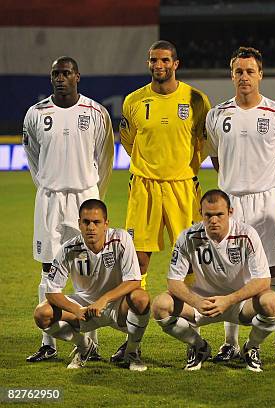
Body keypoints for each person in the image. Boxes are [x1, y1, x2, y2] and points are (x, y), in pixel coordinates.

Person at [117, 40, 212, 360]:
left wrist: (180, 170)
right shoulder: (133, 101)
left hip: (183, 187)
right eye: (153, 60)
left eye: (165, 60)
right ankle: (133, 341)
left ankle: (193, 340)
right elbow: (128, 143)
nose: (159, 65)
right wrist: (150, 168)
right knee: (138, 261)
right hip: (144, 187)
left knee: (190, 262)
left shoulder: (196, 99)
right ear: (148, 64)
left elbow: (203, 142)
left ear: (176, 63)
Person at [206, 46, 275, 363]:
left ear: (261, 74)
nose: (244, 77)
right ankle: (230, 342)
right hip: (232, 204)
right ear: (232, 75)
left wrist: (270, 183)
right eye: (238, 71)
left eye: (250, 71)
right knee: (232, 275)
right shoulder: (218, 115)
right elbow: (216, 157)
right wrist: (235, 183)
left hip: (269, 202)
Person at [23, 56, 114, 362]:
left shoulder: (96, 112)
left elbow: (104, 158)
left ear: (78, 76)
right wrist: (48, 185)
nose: (60, 78)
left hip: (83, 197)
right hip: (49, 200)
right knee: (49, 268)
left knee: (87, 271)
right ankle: (48, 343)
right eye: (55, 74)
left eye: (66, 73)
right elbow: (32, 157)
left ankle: (91, 343)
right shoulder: (36, 114)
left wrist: (91, 196)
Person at [152, 190, 275, 372]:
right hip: (202, 304)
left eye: (219, 214)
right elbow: (174, 282)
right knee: (160, 305)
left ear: (230, 212)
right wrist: (196, 302)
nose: (214, 220)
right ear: (201, 214)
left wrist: (229, 300)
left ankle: (251, 347)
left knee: (271, 301)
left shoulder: (247, 234)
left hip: (240, 304)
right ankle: (199, 346)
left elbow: (263, 280)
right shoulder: (188, 237)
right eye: (208, 215)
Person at [33, 199, 149, 371]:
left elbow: (134, 280)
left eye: (96, 222)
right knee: (42, 314)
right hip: (84, 310)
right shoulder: (68, 249)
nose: (91, 227)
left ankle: (132, 352)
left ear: (106, 224)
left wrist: (104, 299)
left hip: (116, 307)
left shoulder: (121, 238)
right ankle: (84, 346)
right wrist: (76, 309)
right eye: (86, 222)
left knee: (141, 298)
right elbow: (51, 292)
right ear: (79, 223)